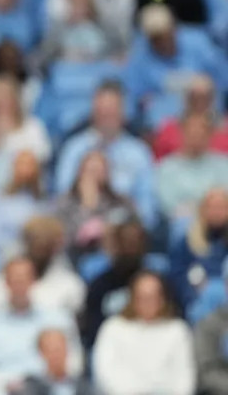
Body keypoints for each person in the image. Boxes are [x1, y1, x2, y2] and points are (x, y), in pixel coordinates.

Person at [54, 81, 156, 228]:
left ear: (123, 111)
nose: (107, 114)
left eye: (112, 109)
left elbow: (148, 207)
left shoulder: (139, 152)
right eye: (102, 108)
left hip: (125, 230)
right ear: (93, 110)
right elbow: (62, 194)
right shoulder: (74, 148)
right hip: (79, 226)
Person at [0, 257, 81, 383]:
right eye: (15, 280)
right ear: (5, 283)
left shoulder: (58, 320)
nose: (19, 285)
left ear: (34, 281)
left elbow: (74, 363)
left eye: (23, 279)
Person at [92, 271, 195, 395]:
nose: (148, 303)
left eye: (152, 297)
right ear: (132, 298)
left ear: (162, 299)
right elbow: (105, 373)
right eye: (142, 297)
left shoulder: (178, 330)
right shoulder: (113, 328)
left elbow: (185, 377)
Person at [0, 217, 86, 315]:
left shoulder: (70, 285)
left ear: (57, 246)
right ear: (25, 242)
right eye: (36, 241)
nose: (41, 249)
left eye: (47, 244)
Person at [55, 151, 136, 262]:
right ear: (80, 173)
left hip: (114, 258)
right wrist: (88, 205)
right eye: (90, 171)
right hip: (75, 258)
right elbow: (69, 239)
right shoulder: (65, 203)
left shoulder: (120, 202)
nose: (94, 176)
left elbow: (132, 228)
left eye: (99, 171)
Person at [81, 220, 151, 348]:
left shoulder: (155, 284)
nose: (130, 248)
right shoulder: (100, 286)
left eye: (135, 242)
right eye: (126, 242)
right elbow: (93, 333)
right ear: (115, 246)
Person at [157, 113, 228, 219]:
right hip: (181, 223)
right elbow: (168, 205)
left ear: (210, 135)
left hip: (218, 222)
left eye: (201, 133)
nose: (196, 138)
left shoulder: (223, 165)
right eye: (192, 133)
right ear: (182, 133)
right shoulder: (167, 168)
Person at [169, 188, 228, 311]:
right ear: (203, 210)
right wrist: (191, 299)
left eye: (222, 207)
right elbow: (178, 275)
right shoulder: (187, 241)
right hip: (199, 302)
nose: (217, 212)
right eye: (212, 207)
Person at [154, 74, 228, 159]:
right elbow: (161, 163)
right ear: (186, 98)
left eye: (205, 97)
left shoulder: (224, 130)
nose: (200, 102)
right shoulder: (169, 130)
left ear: (212, 99)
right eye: (194, 97)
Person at [0, 76, 51, 164]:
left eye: (5, 99)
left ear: (14, 100)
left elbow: (43, 155)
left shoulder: (33, 127)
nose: (1, 105)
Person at [15, 329, 95, 395]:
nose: (56, 355)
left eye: (59, 349)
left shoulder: (83, 385)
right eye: (50, 351)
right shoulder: (32, 386)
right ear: (41, 353)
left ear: (67, 350)